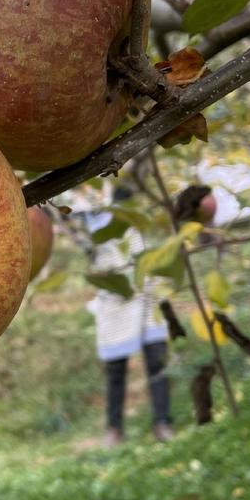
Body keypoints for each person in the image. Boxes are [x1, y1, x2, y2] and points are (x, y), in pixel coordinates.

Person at [85, 185, 173, 446]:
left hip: (148, 298)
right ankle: (114, 429)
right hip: (116, 303)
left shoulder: (146, 222)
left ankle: (163, 422)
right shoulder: (98, 227)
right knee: (116, 368)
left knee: (157, 360)